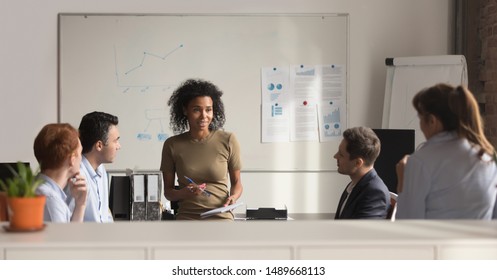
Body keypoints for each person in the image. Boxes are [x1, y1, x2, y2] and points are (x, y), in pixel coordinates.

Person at [396, 83, 497, 219]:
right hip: (481, 240)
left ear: (432, 121)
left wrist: (403, 181)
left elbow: (407, 225)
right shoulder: (486, 158)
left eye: (420, 119)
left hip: (436, 240)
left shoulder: (420, 162)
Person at [160, 79, 243, 220]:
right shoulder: (172, 144)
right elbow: (168, 192)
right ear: (185, 110)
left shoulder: (228, 140)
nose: (204, 116)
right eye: (196, 110)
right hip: (187, 218)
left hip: (221, 217)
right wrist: (183, 193)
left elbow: (237, 183)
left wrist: (233, 197)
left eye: (208, 110)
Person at [66, 111, 121, 222]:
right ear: (99, 145)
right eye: (115, 141)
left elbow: (105, 214)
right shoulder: (77, 177)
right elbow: (71, 223)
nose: (119, 146)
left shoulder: (101, 170)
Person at [34, 123, 87, 222]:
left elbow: (69, 234)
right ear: (72, 159)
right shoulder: (51, 200)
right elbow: (68, 237)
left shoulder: (38, 188)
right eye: (80, 153)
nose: (81, 159)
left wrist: (80, 204)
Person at [333, 126, 390, 219]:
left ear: (358, 162)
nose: (335, 156)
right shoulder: (353, 185)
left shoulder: (375, 193)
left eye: (341, 154)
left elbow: (361, 233)